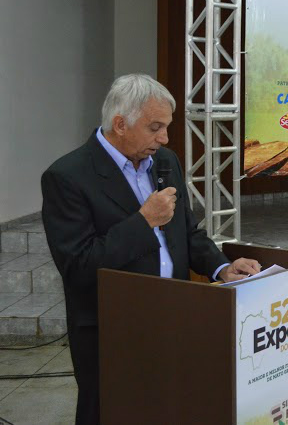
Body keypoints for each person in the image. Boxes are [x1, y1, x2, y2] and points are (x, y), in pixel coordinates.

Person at [41, 74, 261, 425]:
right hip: (113, 330)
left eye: (167, 127)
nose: (165, 138)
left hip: (173, 318)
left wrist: (221, 267)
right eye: (155, 127)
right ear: (120, 124)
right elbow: (79, 265)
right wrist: (143, 222)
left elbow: (186, 231)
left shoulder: (165, 161)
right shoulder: (67, 176)